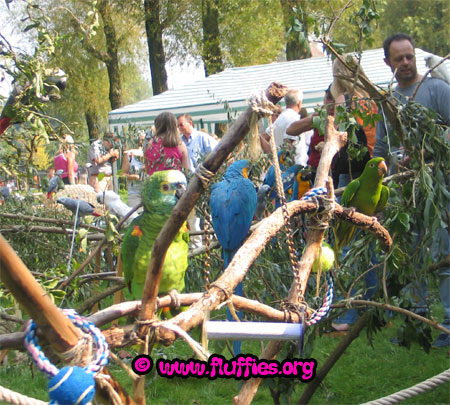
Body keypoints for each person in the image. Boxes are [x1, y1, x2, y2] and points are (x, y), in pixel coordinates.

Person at [373, 33, 450, 348]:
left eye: (409, 56)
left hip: (438, 190)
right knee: (408, 257)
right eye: (399, 58)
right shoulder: (387, 101)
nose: (405, 63)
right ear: (387, 62)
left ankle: (447, 327)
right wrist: (379, 193)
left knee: (443, 256)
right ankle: (417, 322)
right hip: (404, 195)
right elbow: (379, 148)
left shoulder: (437, 90)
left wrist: (427, 151)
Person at [177, 113, 218, 249]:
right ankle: (196, 243)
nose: (179, 128)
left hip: (205, 180)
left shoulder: (203, 138)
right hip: (189, 183)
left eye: (181, 124)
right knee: (192, 213)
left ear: (190, 123)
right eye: (178, 125)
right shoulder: (180, 142)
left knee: (208, 210)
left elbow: (217, 154)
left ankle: (211, 240)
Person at [260, 89, 311, 167]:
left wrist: (273, 155)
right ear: (299, 103)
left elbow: (262, 137)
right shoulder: (294, 119)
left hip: (280, 167)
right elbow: (289, 146)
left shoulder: (280, 118)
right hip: (294, 169)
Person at [121, 131, 146, 208]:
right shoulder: (128, 154)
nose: (140, 142)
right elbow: (122, 175)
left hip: (149, 191)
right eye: (138, 139)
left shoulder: (149, 152)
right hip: (134, 193)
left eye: (142, 139)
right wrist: (133, 177)